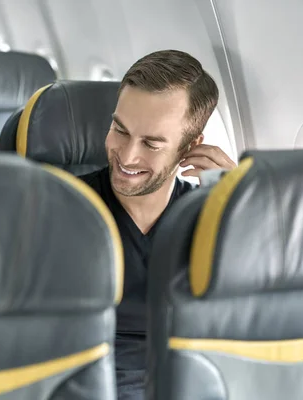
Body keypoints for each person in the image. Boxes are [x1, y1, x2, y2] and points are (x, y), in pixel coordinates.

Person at [78, 49, 237, 399]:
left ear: (189, 148)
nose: (128, 155)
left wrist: (238, 208)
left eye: (151, 143)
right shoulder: (65, 206)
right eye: (120, 130)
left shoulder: (208, 220)